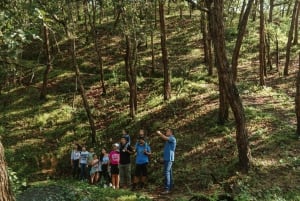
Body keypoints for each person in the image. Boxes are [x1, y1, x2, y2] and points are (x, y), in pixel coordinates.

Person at [156, 129, 176, 194]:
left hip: (169, 158)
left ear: (171, 132)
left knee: (166, 172)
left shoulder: (172, 138)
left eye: (167, 131)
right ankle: (170, 187)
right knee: (169, 173)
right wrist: (163, 158)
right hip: (167, 158)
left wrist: (160, 133)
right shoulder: (168, 140)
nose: (166, 132)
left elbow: (164, 138)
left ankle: (167, 189)